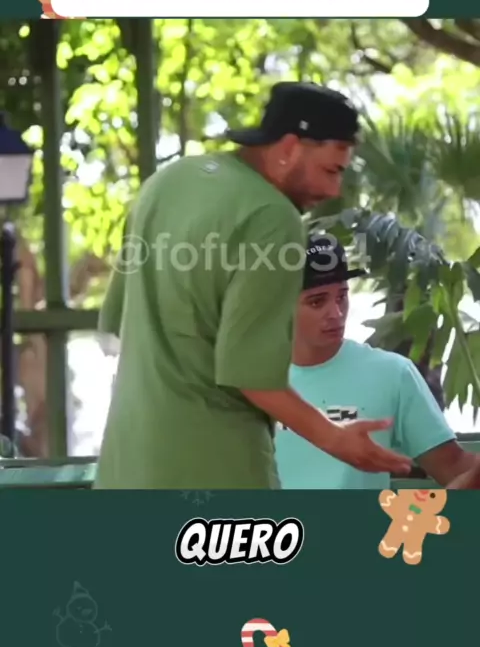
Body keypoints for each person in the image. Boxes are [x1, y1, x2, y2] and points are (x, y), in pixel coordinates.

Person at [94, 81, 412, 489]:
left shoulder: (167, 182)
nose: (333, 190)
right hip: (214, 474)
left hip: (124, 469)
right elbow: (251, 375)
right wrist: (337, 439)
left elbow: (112, 331)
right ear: (289, 148)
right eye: (330, 170)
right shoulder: (272, 217)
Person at [275, 234, 480, 489]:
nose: (336, 313)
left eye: (341, 296)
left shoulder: (392, 374)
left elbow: (455, 468)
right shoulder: (248, 380)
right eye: (317, 301)